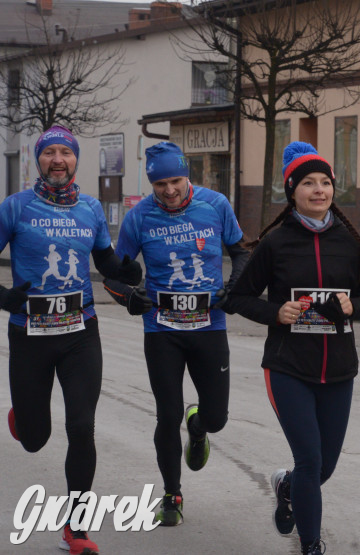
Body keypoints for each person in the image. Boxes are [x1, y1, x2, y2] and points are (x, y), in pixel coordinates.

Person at [228, 142, 360, 555]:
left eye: (325, 183)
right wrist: (276, 312)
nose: (319, 190)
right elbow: (238, 297)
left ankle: (287, 487)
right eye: (308, 183)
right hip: (288, 367)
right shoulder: (276, 243)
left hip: (339, 371)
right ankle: (311, 546)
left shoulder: (349, 242)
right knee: (310, 461)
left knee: (323, 467)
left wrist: (352, 307)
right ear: (292, 191)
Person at [1, 125, 143, 555]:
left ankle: (76, 528)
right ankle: (24, 419)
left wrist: (124, 272)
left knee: (82, 427)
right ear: (38, 160)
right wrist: (4, 298)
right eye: (50, 153)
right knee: (35, 439)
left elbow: (104, 260)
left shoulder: (91, 208)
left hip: (81, 332)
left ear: (76, 159)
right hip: (30, 335)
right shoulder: (15, 207)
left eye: (66, 152)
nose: (58, 160)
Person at [103, 141, 249, 527]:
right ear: (151, 184)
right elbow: (113, 276)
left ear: (188, 176)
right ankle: (172, 494)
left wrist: (233, 288)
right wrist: (129, 298)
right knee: (167, 416)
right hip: (162, 331)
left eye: (176, 181)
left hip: (209, 327)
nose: (169, 190)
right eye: (160, 184)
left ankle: (198, 428)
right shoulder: (138, 217)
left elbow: (242, 253)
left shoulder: (216, 205)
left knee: (217, 418)